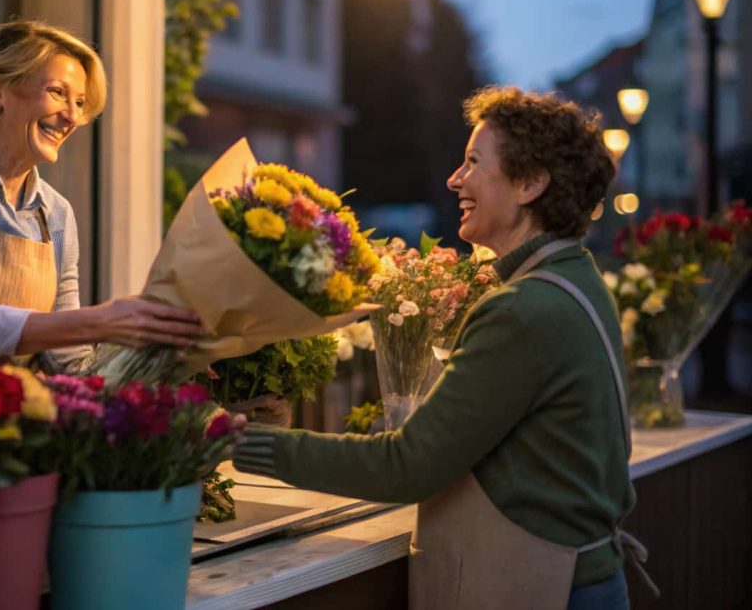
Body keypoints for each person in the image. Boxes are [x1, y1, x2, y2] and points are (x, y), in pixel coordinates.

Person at [234, 86, 654, 609]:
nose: (455, 179)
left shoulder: (524, 310)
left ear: (530, 183)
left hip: (542, 587)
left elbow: (407, 466)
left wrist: (237, 442)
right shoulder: (577, 280)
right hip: (579, 580)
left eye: (474, 161)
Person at [0, 19, 204, 375]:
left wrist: (158, 351)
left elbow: (68, 361)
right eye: (58, 93)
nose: (72, 116)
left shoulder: (56, 213)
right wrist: (100, 320)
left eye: (80, 102)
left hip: (4, 424)